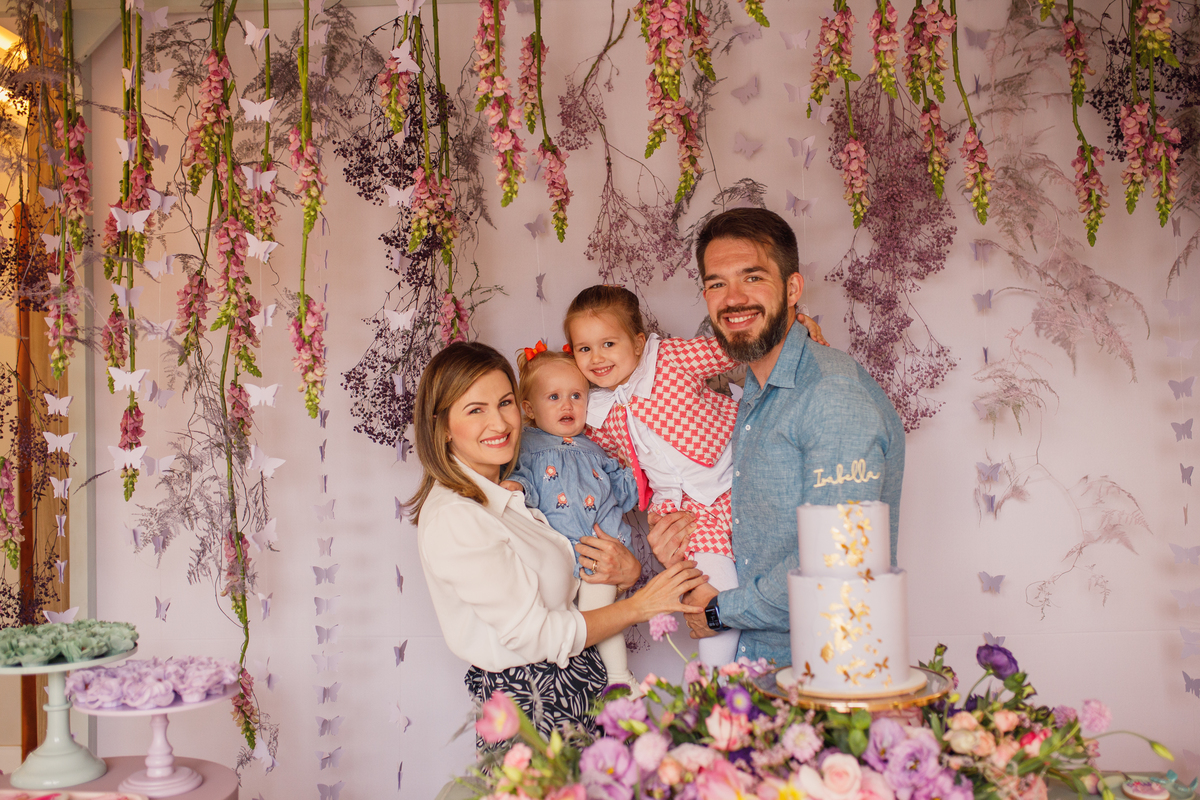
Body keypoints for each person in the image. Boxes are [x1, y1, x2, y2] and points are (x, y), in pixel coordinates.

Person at [406, 341, 706, 750]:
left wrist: (626, 574)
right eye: (475, 409)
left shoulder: (513, 494)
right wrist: (642, 605)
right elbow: (538, 635)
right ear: (441, 426)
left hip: (582, 685)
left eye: (505, 402)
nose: (499, 422)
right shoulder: (457, 516)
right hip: (535, 705)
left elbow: (567, 587)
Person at [646, 207, 905, 667]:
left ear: (792, 288)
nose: (733, 299)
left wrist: (719, 612)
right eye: (716, 283)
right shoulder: (750, 396)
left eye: (753, 277)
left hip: (823, 678)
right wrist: (679, 545)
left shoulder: (830, 396)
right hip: (750, 677)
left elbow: (838, 560)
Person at [563, 287, 826, 666]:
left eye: (608, 343)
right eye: (584, 349)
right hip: (688, 512)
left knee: (785, 576)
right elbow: (587, 458)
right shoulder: (596, 409)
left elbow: (734, 346)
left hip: (738, 476)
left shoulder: (669, 359)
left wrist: (792, 327)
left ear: (638, 343)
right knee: (713, 596)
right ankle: (714, 685)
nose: (597, 357)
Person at [500, 345, 641, 691]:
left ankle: (619, 677)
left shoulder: (594, 446)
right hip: (561, 555)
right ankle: (565, 672)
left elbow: (623, 491)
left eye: (577, 395)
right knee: (562, 621)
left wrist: (636, 471)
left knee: (599, 618)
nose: (568, 405)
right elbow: (525, 481)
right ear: (529, 409)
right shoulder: (527, 446)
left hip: (602, 553)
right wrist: (515, 487)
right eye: (554, 397)